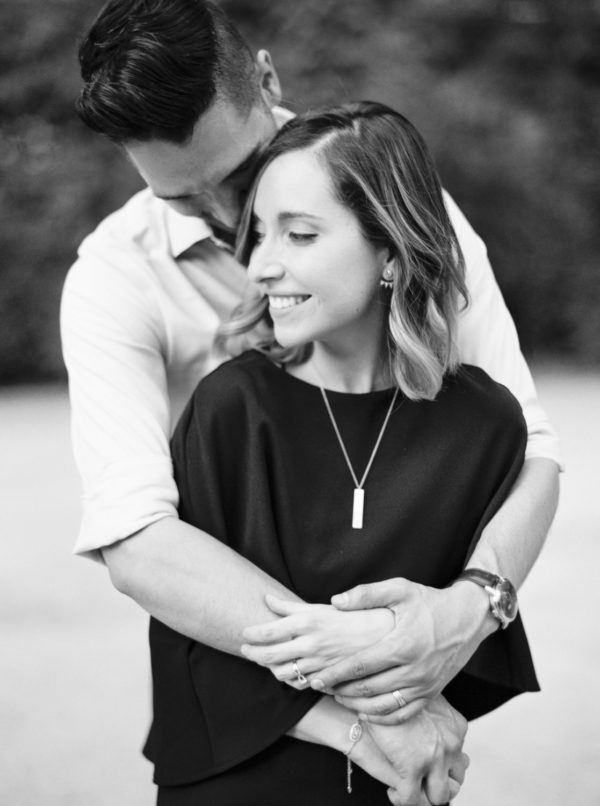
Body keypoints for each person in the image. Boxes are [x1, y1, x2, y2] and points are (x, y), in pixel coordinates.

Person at [61, 0, 560, 800]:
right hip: (236, 704)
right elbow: (139, 538)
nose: (232, 224)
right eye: (183, 199)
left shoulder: (401, 204)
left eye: (238, 177)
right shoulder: (115, 279)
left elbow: (527, 448)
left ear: (267, 80)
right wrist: (365, 698)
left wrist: (467, 610)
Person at [147, 101, 539, 805]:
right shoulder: (231, 407)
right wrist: (367, 719)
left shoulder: (486, 424)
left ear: (390, 250)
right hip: (237, 786)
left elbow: (463, 646)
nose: (260, 266)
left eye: (299, 235)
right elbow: (188, 640)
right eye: (259, 235)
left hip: (405, 789)